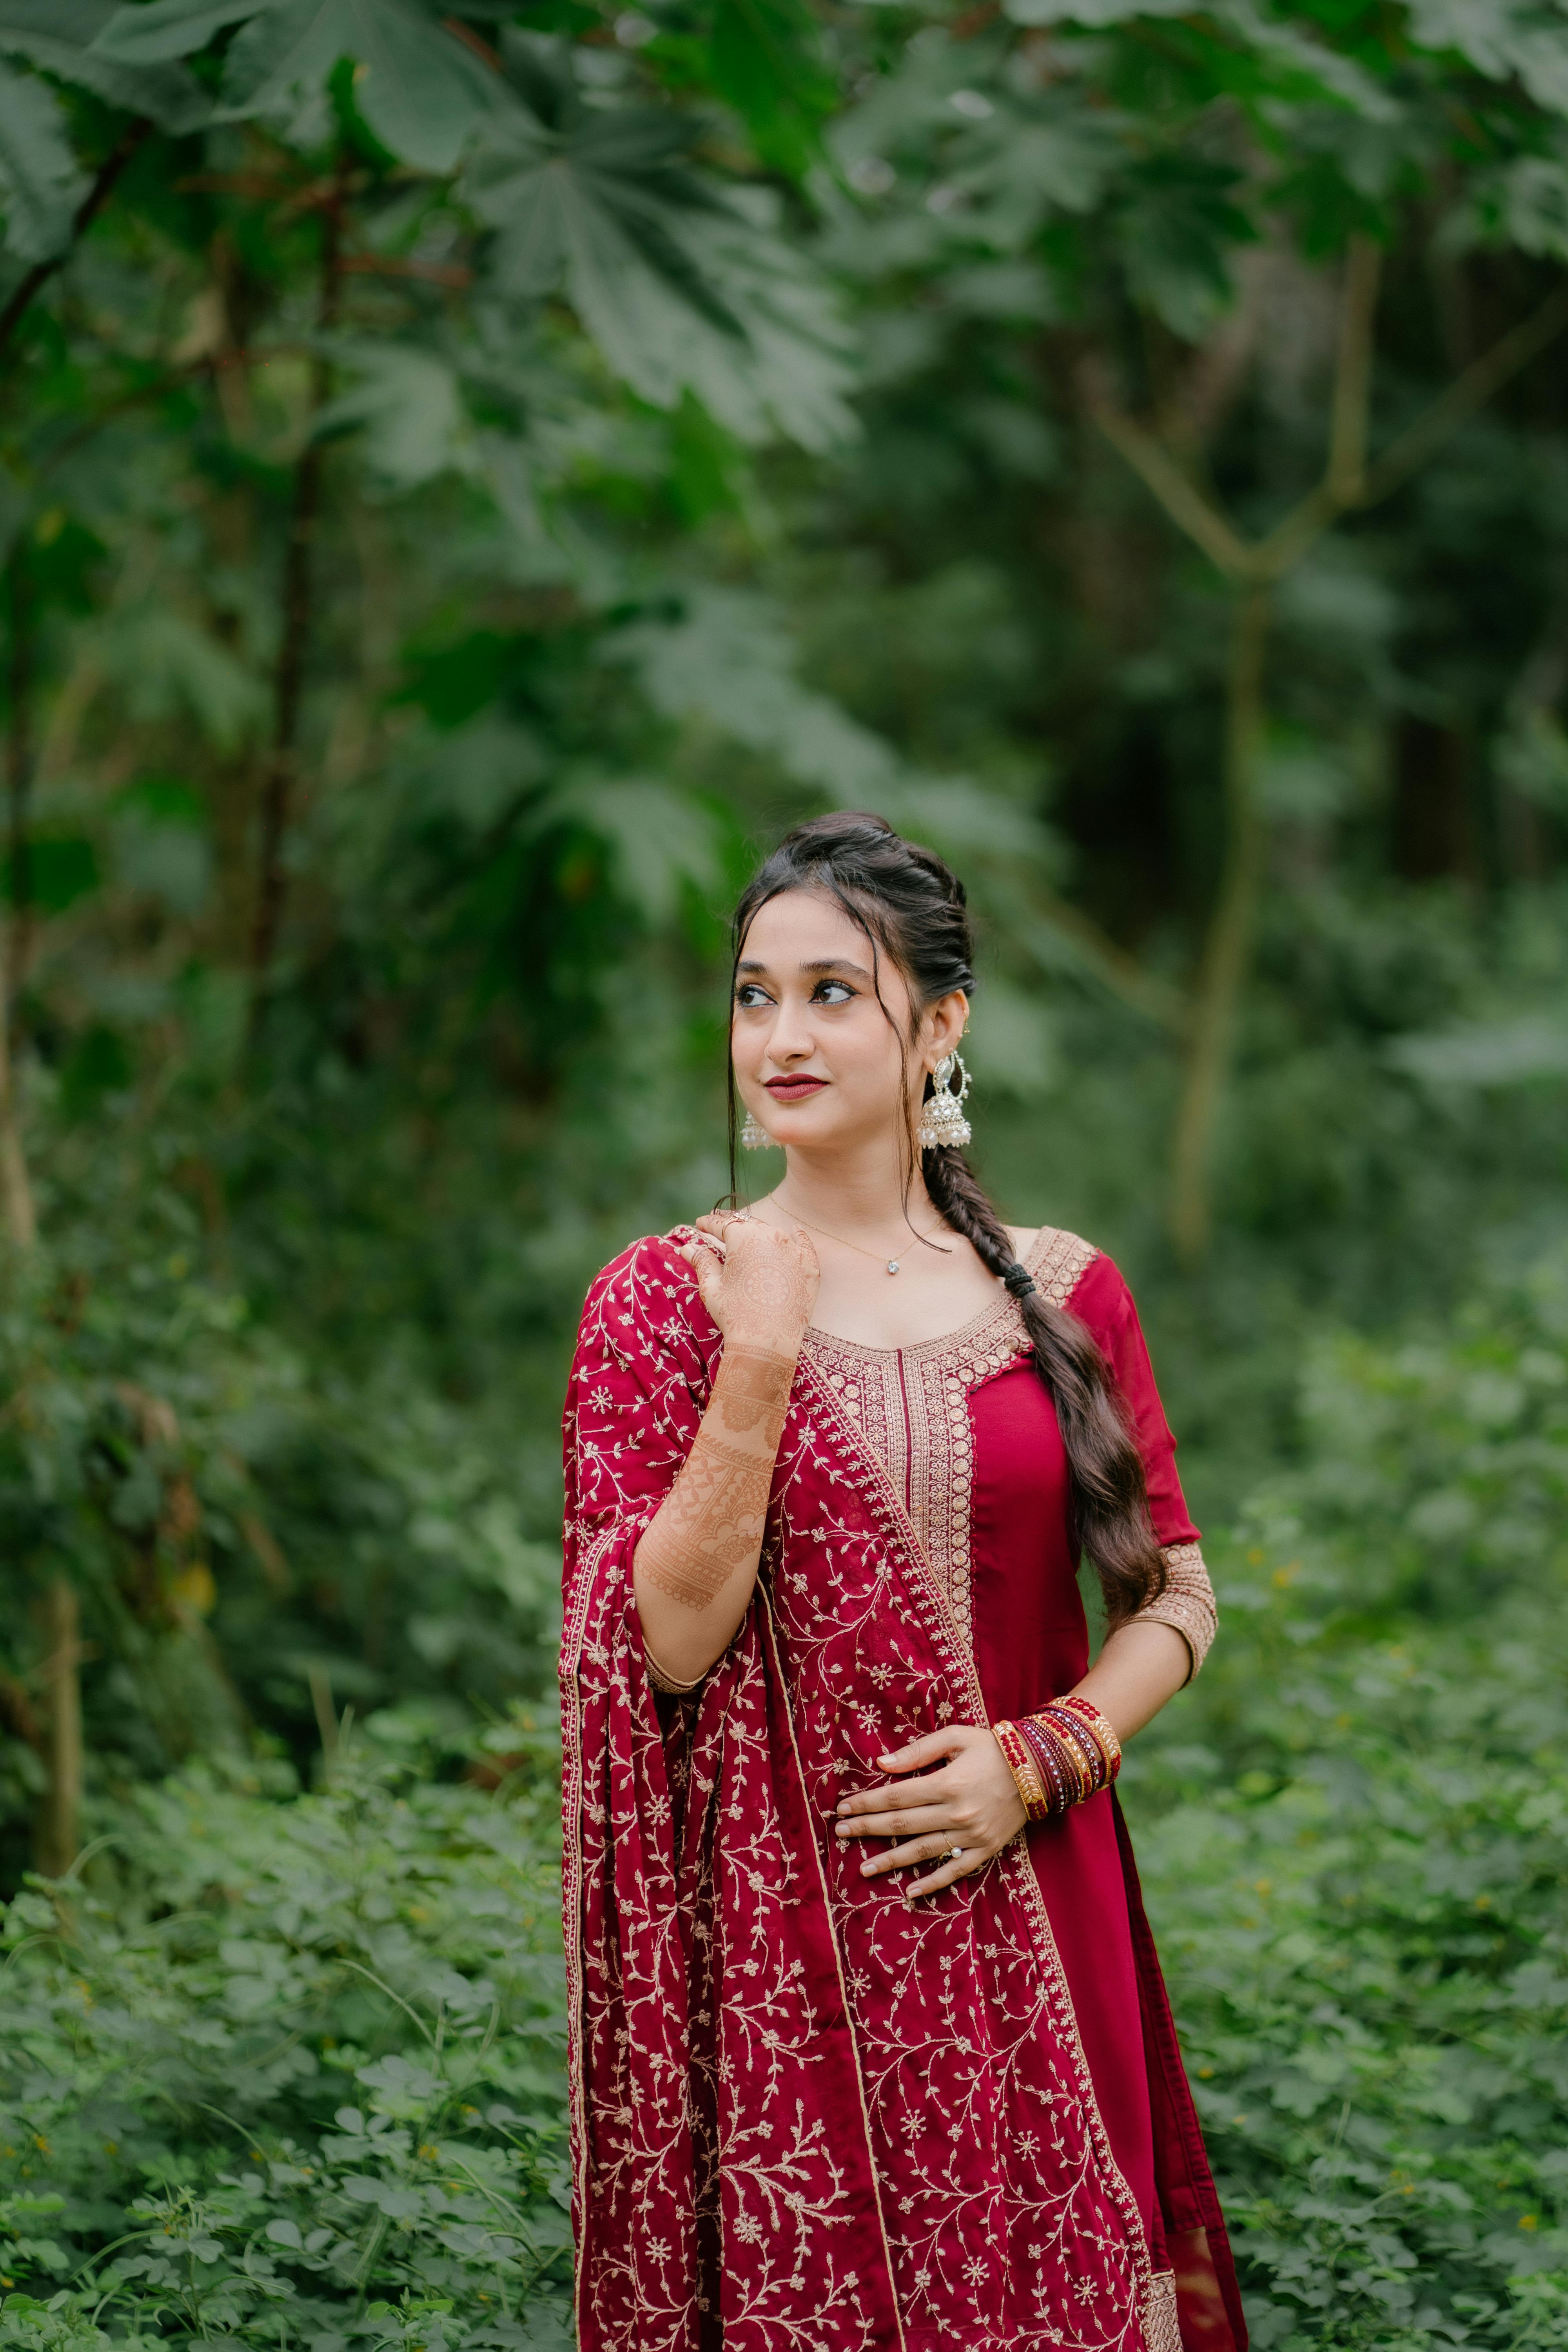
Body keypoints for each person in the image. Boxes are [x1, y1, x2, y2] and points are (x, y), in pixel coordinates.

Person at [560, 812, 1246, 2352]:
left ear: (939, 1024)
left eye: (828, 993)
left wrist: (1040, 1760)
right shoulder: (664, 1301)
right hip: (782, 1956)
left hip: (1036, 1900)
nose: (778, 1035)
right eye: (752, 994)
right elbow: (664, 1649)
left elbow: (1178, 1600)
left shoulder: (1064, 1292)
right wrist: (758, 1363)